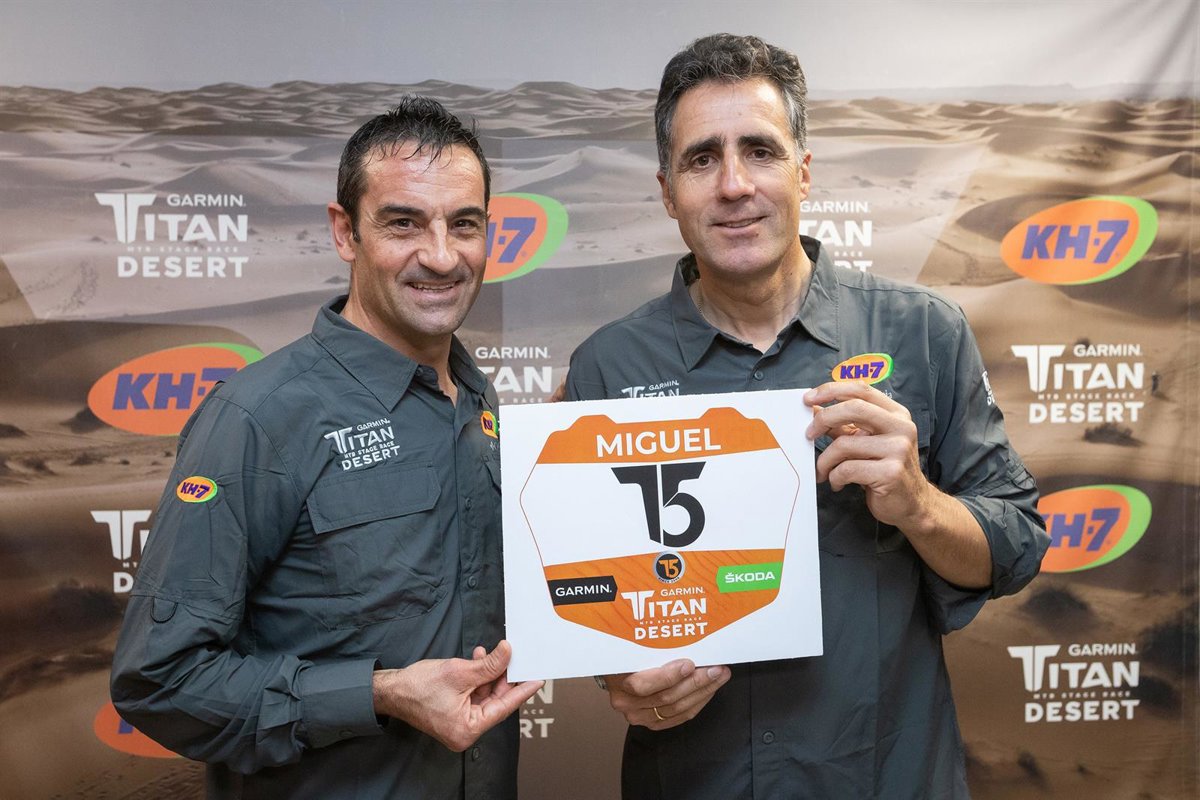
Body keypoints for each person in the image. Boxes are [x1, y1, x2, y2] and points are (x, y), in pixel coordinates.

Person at [565, 34, 1048, 799]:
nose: (734, 185)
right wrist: (618, 678)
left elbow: (1016, 548)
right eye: (701, 159)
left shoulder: (923, 332)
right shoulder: (605, 368)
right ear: (667, 191)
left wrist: (919, 504)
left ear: (803, 171)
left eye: (760, 151)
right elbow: (587, 598)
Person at [110, 97, 541, 800]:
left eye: (464, 224)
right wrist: (379, 693)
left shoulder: (476, 396)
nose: (441, 256)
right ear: (346, 232)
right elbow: (160, 679)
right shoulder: (257, 417)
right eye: (403, 223)